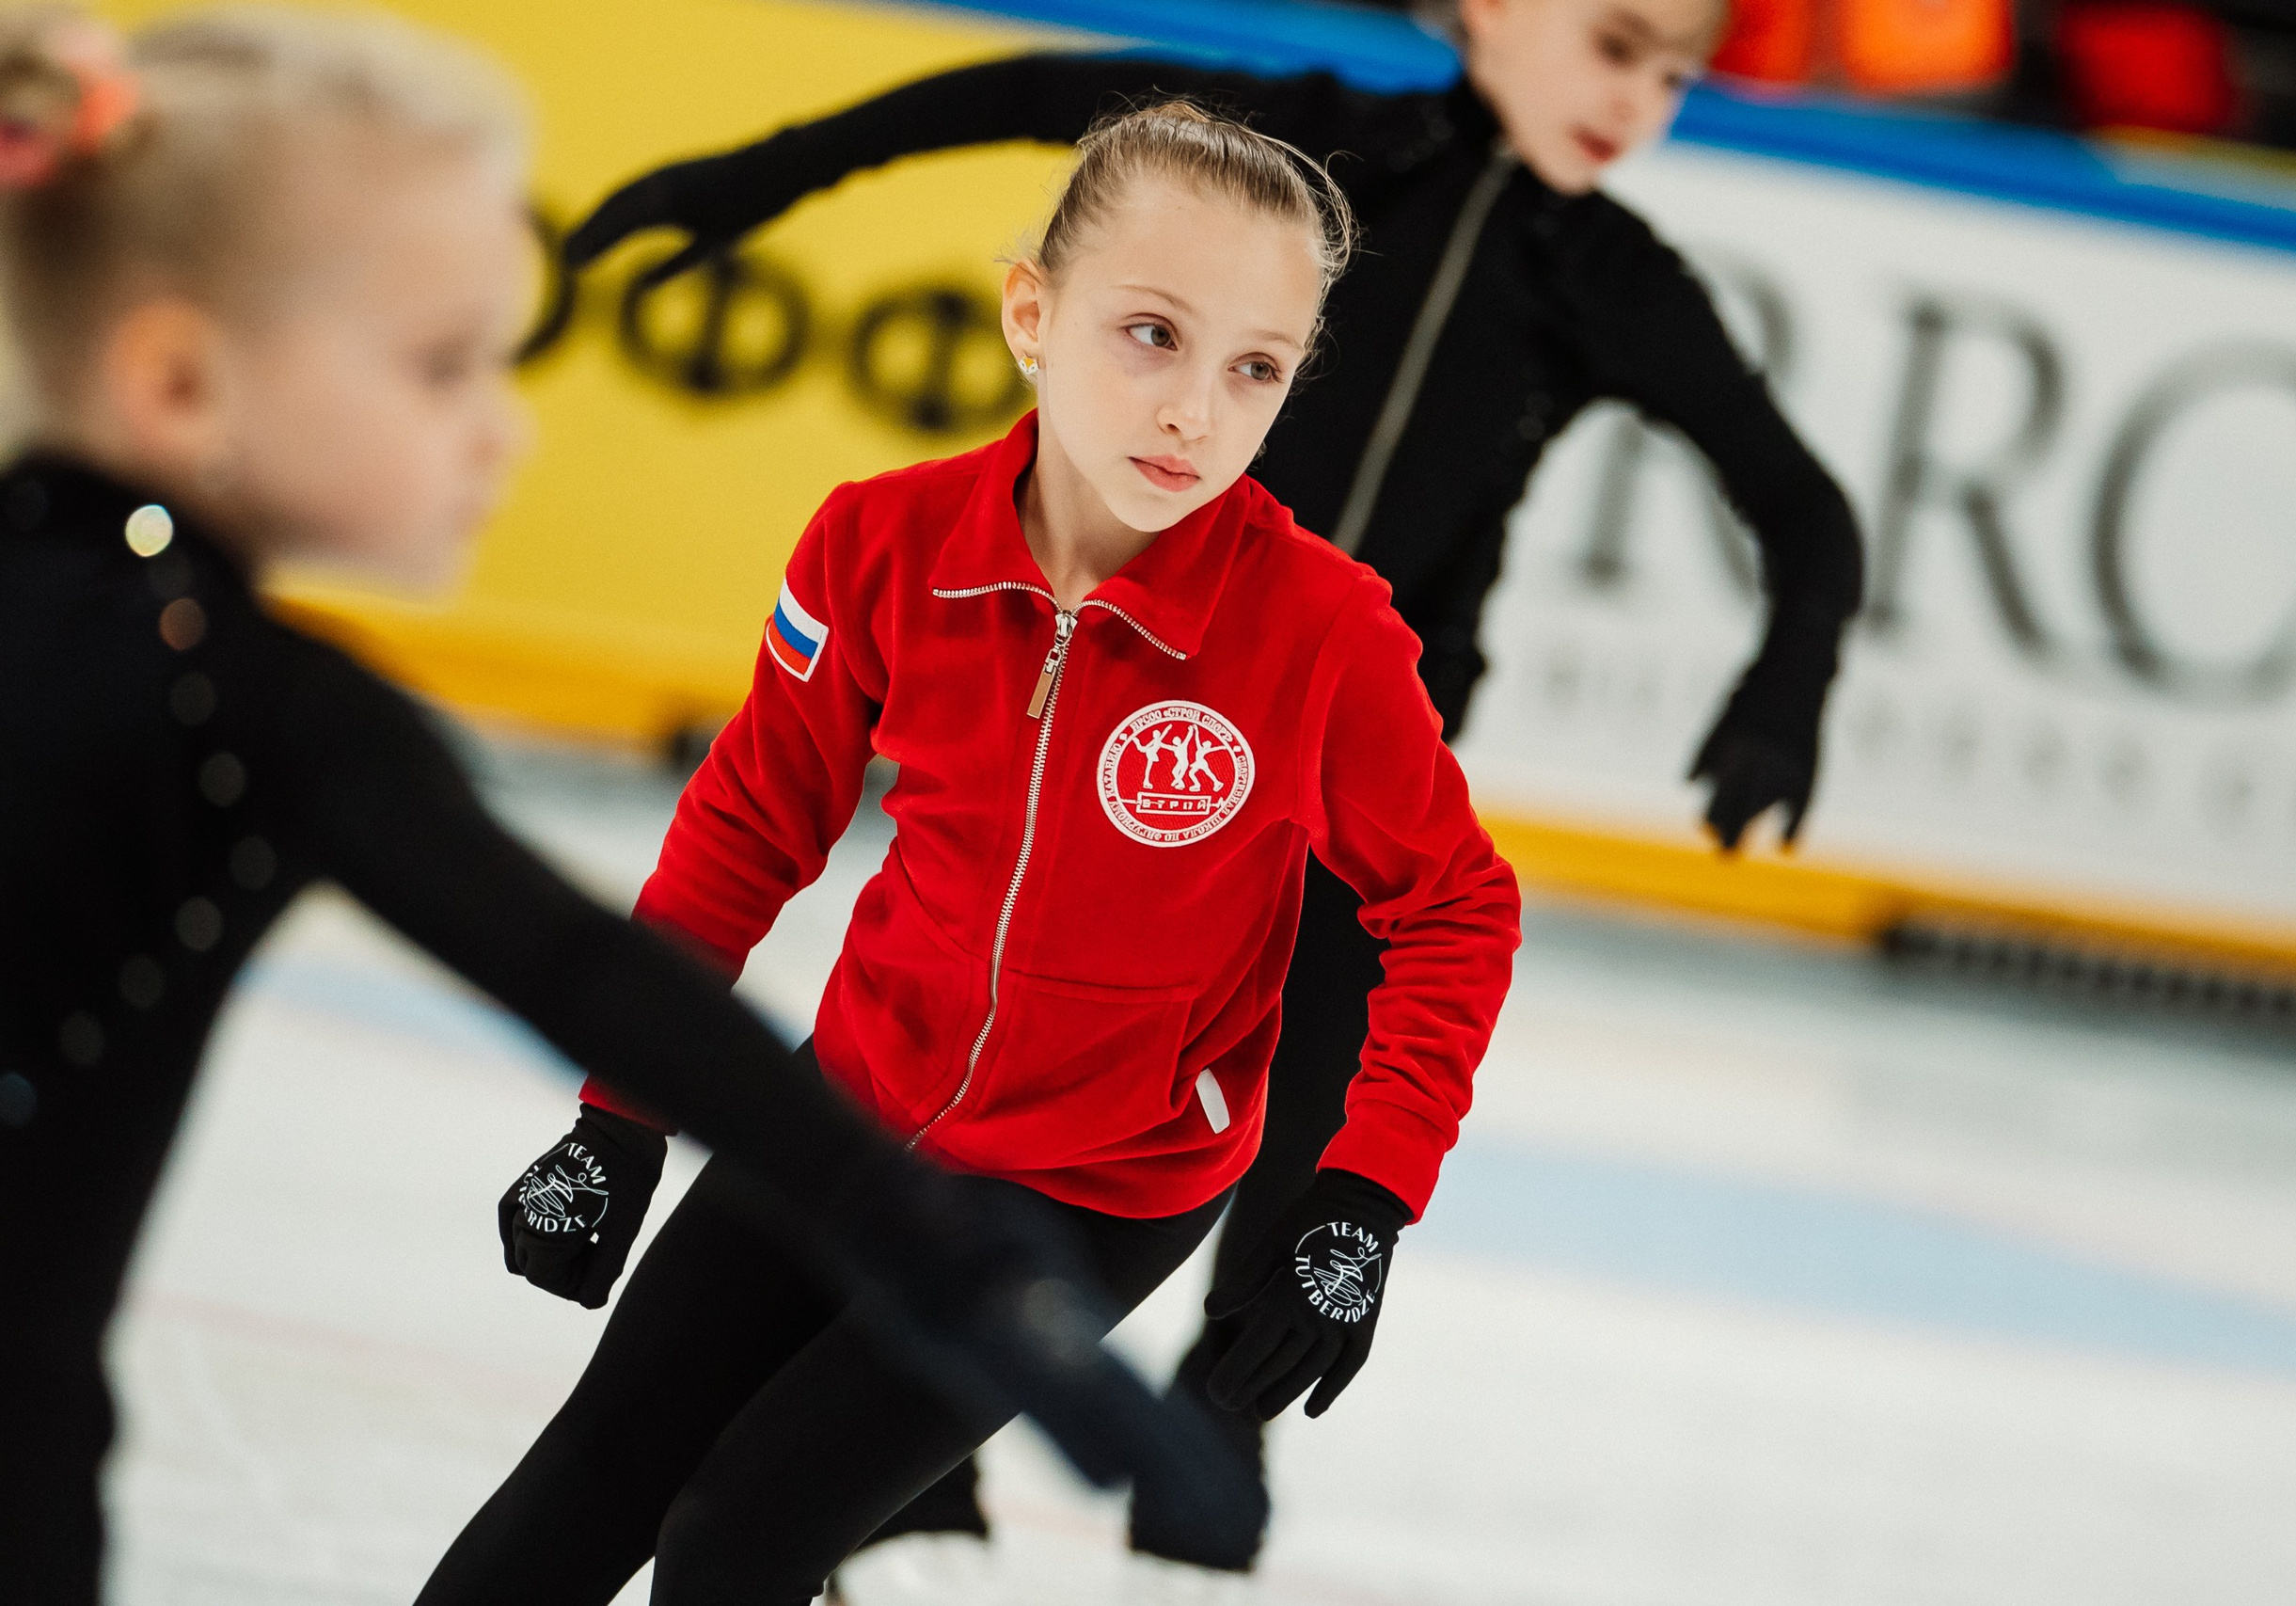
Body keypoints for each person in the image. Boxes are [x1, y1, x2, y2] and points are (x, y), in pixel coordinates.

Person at [562, 0, 1867, 1595]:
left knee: (1253, 1262)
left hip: (1338, 774)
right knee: (980, 1100)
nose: (1641, 100)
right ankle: (905, 1466)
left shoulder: (1613, 283)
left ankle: (1172, 1444)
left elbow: (1804, 508)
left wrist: (1789, 674)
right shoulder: (1307, 160)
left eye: (1678, 73)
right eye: (1614, 45)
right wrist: (756, 177)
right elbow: (1020, 91)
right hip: (1121, 722)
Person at [0, 13, 1244, 1605]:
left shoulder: (226, 698)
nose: (502, 427)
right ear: (180, 373)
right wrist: (966, 1274)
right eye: (443, 365)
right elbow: (597, 979)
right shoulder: (252, 714)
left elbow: (612, 985)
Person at [421, 100, 1520, 1606]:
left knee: (740, 1533)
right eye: (1151, 335)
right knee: (591, 1477)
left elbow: (1455, 906)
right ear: (1031, 313)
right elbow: (752, 822)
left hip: (1095, 1190)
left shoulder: (1323, 637)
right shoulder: (883, 545)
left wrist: (1358, 1202)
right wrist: (621, 1114)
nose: (1195, 410)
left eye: (1255, 369)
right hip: (853, 1113)